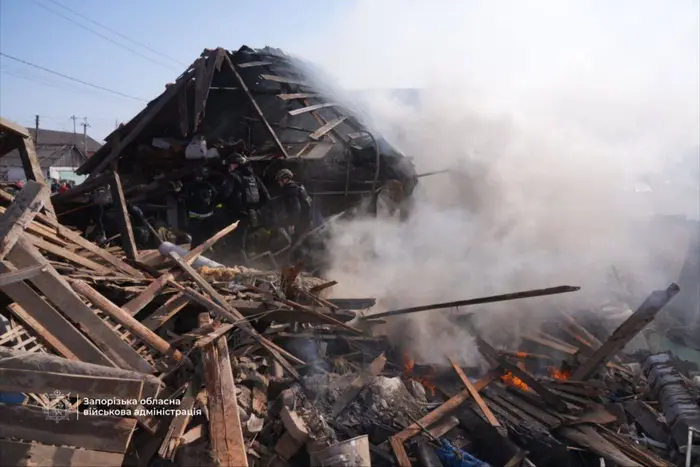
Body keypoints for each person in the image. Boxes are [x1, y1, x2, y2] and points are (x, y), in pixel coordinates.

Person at [274, 168, 312, 247]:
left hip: (300, 222)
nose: (278, 182)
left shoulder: (290, 190)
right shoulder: (298, 186)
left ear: (285, 179)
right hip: (307, 219)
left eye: (280, 180)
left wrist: (292, 224)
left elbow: (296, 208)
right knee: (305, 243)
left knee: (296, 245)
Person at [184, 167, 218, 247]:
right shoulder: (192, 186)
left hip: (205, 215)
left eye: (200, 177)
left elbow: (215, 196)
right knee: (196, 236)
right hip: (196, 215)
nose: (198, 178)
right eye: (197, 177)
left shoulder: (207, 186)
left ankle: (208, 249)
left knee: (206, 235)